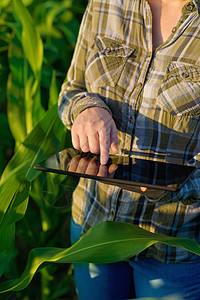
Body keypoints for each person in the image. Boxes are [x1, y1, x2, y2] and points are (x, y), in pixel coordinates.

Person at [58, 0, 200, 299]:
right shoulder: (107, 3)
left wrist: (183, 186)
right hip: (94, 227)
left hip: (175, 243)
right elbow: (72, 88)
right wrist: (86, 109)